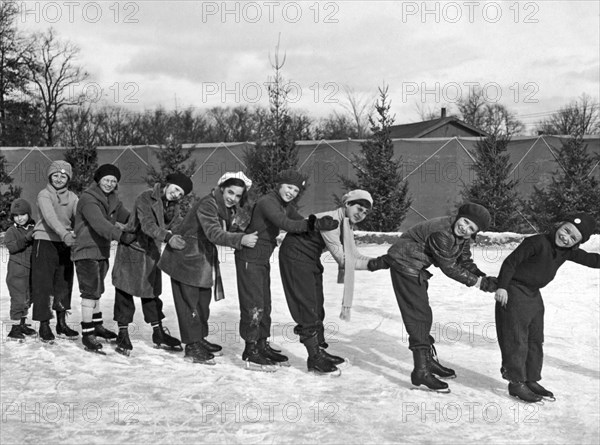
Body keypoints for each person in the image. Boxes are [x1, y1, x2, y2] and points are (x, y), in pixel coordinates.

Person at [385, 202, 498, 392]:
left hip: (416, 267)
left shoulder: (461, 236)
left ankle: (427, 362)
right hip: (404, 264)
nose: (465, 228)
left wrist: (482, 276)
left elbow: (464, 260)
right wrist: (479, 283)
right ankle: (420, 371)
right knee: (417, 317)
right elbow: (449, 267)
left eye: (471, 228)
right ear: (458, 216)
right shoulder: (442, 233)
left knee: (424, 315)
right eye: (465, 222)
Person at [234, 169, 338, 371]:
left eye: (296, 190)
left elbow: (299, 219)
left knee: (265, 303)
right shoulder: (267, 202)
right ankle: (250, 349)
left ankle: (262, 344)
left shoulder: (284, 205)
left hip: (261, 259)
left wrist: (318, 224)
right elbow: (287, 224)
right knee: (253, 305)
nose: (292, 192)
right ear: (279, 184)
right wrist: (313, 223)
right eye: (289, 187)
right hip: (249, 257)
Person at [494, 213, 599, 403]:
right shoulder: (537, 242)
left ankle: (530, 378)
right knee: (516, 338)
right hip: (514, 290)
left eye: (573, 238)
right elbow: (511, 262)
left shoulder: (567, 251)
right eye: (566, 230)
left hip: (533, 293)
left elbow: (592, 260)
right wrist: (502, 287)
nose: (566, 237)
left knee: (535, 338)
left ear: (576, 243)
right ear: (561, 224)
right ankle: (516, 382)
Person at [279, 189, 385, 375]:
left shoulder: (346, 224)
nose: (361, 214)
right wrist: (374, 265)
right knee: (307, 305)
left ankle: (320, 351)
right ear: (347, 204)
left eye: (365, 212)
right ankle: (314, 358)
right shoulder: (333, 222)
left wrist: (377, 261)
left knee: (317, 305)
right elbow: (344, 259)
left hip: (309, 257)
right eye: (359, 208)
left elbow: (354, 255)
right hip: (295, 257)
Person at [158, 172, 258, 364]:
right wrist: (241, 240)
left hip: (201, 260)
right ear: (221, 188)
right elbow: (214, 233)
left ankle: (199, 338)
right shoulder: (208, 204)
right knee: (190, 304)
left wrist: (243, 232)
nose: (233, 198)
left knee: (202, 303)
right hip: (185, 259)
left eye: (238, 196)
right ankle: (192, 346)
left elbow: (226, 229)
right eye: (230, 192)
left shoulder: (225, 209)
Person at [111, 172, 193, 356]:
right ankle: (122, 333)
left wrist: (192, 230)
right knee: (124, 291)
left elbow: (178, 224)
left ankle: (158, 333)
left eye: (181, 194)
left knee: (152, 294)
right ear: (169, 184)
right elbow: (147, 224)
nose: (177, 194)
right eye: (176, 189)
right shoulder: (146, 197)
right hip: (132, 249)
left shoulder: (173, 206)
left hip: (151, 251)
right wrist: (168, 236)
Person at [72, 164, 132, 354]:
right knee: (90, 291)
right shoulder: (88, 199)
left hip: (101, 251)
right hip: (86, 250)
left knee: (97, 289)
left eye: (113, 181)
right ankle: (87, 332)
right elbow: (99, 224)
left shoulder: (113, 199)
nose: (109, 183)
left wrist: (143, 224)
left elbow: (128, 217)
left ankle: (97, 325)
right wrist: (120, 235)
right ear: (98, 180)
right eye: (106, 180)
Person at [31, 161, 79, 342]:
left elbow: (81, 215)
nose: (59, 179)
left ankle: (61, 323)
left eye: (63, 176)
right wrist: (65, 234)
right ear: (50, 176)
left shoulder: (73, 197)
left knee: (64, 282)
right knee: (43, 284)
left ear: (68, 178)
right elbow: (50, 217)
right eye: (56, 175)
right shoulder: (44, 194)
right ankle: (44, 324)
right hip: (45, 241)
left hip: (65, 243)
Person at [4, 198, 37, 341]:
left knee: (27, 299)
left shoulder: (34, 229)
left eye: (23, 214)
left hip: (30, 270)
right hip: (17, 271)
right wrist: (27, 239)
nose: (20, 218)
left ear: (29, 214)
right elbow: (12, 246)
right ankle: (14, 328)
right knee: (18, 299)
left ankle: (22, 324)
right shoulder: (12, 231)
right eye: (16, 215)